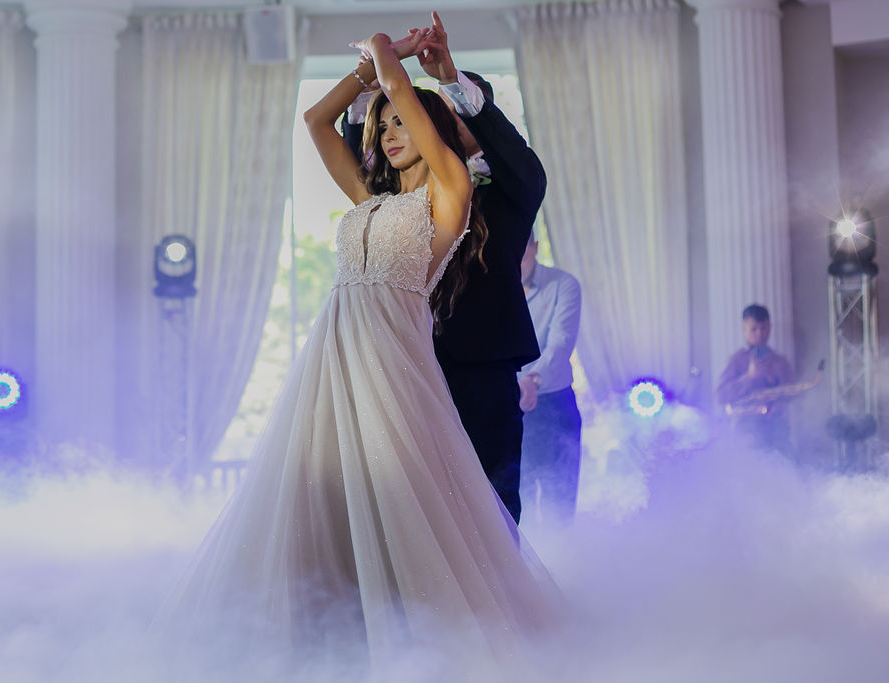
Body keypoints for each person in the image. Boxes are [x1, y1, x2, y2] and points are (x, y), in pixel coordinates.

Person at [155, 28, 562, 678]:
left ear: (437, 130)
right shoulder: (373, 203)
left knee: (431, 505)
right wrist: (365, 81)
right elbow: (316, 121)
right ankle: (328, 636)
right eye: (384, 125)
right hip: (333, 356)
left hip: (397, 361)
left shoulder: (451, 192)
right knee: (325, 494)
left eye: (403, 123)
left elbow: (408, 94)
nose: (388, 132)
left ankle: (447, 641)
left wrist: (387, 50)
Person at [342, 12, 544, 524]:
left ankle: (496, 602)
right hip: (404, 363)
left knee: (489, 505)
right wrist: (373, 70)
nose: (436, 121)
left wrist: (450, 79)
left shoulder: (511, 192)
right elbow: (356, 146)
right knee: (409, 511)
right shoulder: (402, 194)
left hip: (480, 367)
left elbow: (511, 153)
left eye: (452, 111)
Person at [517, 233, 582, 522]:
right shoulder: (491, 288)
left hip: (555, 404)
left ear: (536, 247)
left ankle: (561, 562)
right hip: (510, 408)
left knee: (560, 502)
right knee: (518, 501)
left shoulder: (563, 285)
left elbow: (561, 343)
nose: (516, 258)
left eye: (522, 250)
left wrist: (532, 380)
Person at [716, 304, 794, 452]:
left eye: (764, 328)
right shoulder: (735, 361)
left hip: (776, 432)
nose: (760, 333)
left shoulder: (780, 362)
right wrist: (749, 377)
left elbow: (792, 394)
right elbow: (721, 395)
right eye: (754, 329)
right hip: (745, 434)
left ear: (770, 327)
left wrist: (773, 380)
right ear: (744, 329)